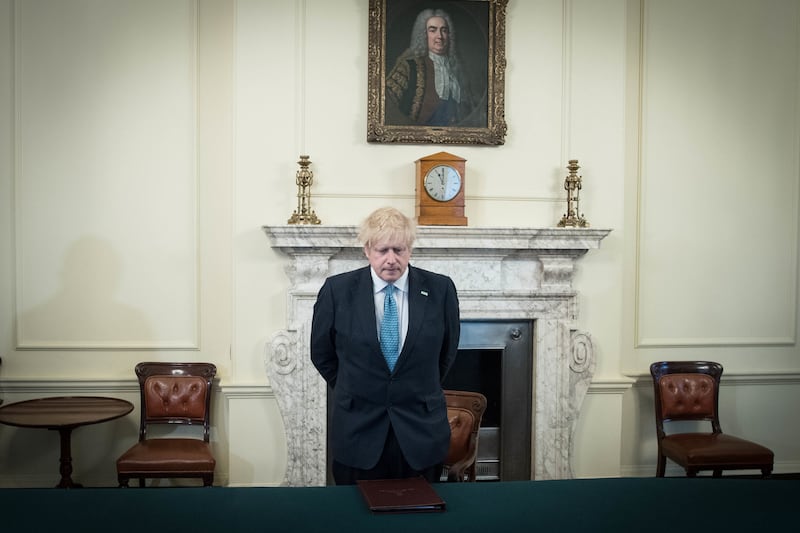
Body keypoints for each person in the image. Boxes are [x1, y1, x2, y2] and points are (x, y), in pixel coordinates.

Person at [310, 207, 461, 485]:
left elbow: (447, 352)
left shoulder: (440, 290)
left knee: (420, 522)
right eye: (382, 250)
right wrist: (355, 386)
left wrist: (412, 387)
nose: (391, 260)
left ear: (410, 249)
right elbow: (322, 354)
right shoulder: (337, 291)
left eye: (399, 250)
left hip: (420, 435)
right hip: (358, 431)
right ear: (367, 250)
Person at [385, 8, 481, 127]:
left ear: (449, 36)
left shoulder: (457, 71)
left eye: (444, 30)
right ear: (424, 35)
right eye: (432, 30)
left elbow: (471, 112)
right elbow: (387, 105)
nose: (439, 36)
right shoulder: (408, 67)